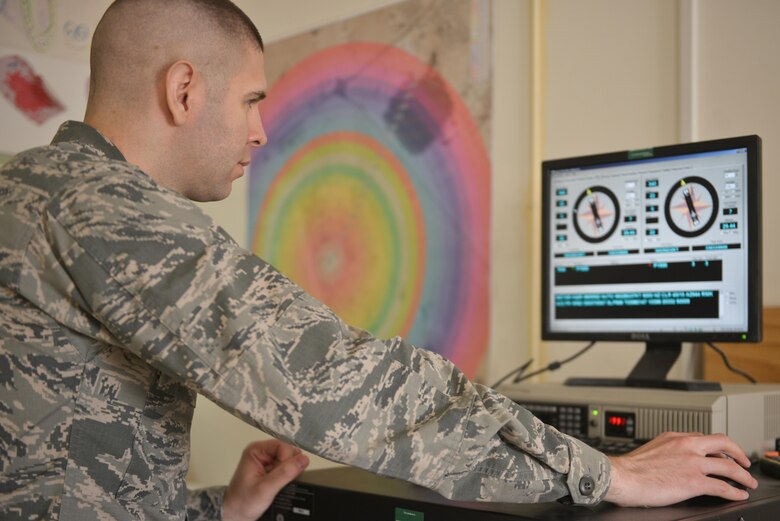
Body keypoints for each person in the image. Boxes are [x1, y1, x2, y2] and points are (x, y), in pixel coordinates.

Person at [0, 0, 758, 519]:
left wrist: (220, 509)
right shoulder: (104, 211)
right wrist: (606, 471)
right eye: (252, 101)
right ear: (185, 89)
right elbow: (331, 378)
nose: (260, 133)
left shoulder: (29, 189)